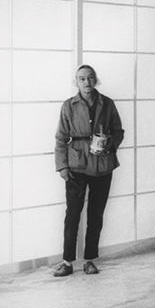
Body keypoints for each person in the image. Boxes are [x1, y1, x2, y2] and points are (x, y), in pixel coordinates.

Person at [53, 65, 124, 277]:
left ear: (96, 80)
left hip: (102, 165)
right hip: (76, 165)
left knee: (96, 213)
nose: (87, 82)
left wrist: (108, 143)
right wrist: (63, 166)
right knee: (73, 213)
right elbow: (60, 138)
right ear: (76, 82)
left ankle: (90, 260)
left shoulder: (107, 104)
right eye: (82, 79)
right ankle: (67, 262)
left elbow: (118, 131)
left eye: (90, 78)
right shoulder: (69, 106)